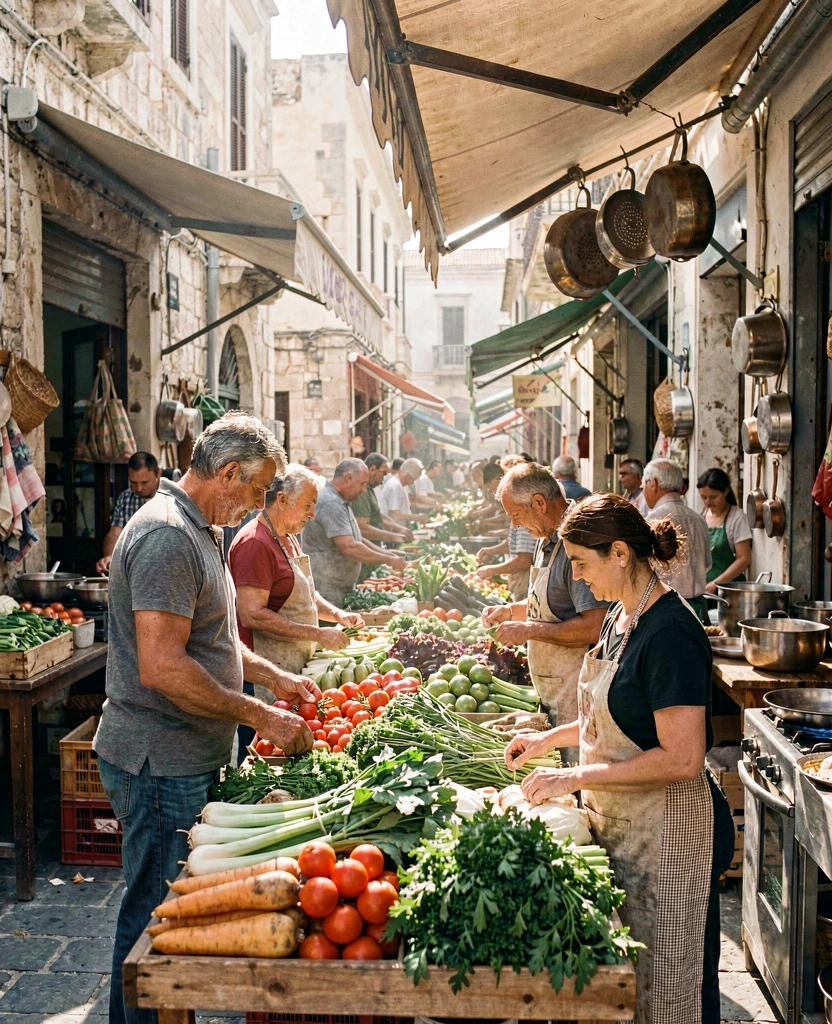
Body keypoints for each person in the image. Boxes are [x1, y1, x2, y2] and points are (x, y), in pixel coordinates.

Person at [94, 414, 320, 1024]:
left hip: (184, 754)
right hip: (158, 761)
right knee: (154, 921)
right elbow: (163, 667)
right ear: (226, 474)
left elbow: (211, 640)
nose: (257, 504)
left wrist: (273, 678)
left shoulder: (201, 531)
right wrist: (258, 714)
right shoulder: (169, 537)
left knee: (170, 915)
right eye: (255, 491)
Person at [504, 494, 734, 1024]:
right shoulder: (621, 618)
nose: (579, 578)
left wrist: (573, 776)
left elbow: (681, 758)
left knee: (676, 989)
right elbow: (616, 714)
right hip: (630, 827)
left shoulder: (669, 632)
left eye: (583, 563)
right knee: (639, 986)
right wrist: (546, 739)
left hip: (673, 837)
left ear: (621, 553)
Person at [482, 463, 607, 760]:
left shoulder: (577, 539)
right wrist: (511, 611)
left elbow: (594, 624)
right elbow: (553, 606)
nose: (514, 525)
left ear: (539, 503)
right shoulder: (545, 538)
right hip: (552, 690)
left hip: (576, 692)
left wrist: (528, 630)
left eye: (516, 515)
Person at [301, 458, 407, 607]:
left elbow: (358, 539)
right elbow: (350, 547)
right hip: (327, 589)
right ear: (348, 478)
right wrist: (388, 560)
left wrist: (389, 555)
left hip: (337, 587)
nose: (364, 489)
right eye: (362, 484)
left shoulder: (340, 501)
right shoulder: (331, 503)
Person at [643, 459, 712, 620]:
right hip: (697, 613)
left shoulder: (653, 521)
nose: (643, 490)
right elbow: (707, 565)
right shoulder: (698, 519)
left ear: (653, 483)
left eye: (644, 485)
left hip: (666, 611)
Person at [96, 452, 161, 573]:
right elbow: (114, 534)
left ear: (158, 473)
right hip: (133, 569)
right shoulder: (126, 498)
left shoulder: (171, 498)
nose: (139, 488)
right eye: (133, 483)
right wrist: (111, 557)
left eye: (144, 482)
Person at [697, 468, 752, 594]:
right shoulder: (702, 516)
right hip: (704, 589)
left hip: (729, 591)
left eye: (713, 497)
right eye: (703, 497)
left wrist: (716, 583)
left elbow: (744, 558)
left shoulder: (737, 518)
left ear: (726, 491)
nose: (708, 502)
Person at [351, 453, 413, 551]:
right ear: (373, 470)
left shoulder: (369, 489)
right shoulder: (361, 492)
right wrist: (392, 536)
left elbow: (377, 516)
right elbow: (362, 528)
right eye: (383, 473)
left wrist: (398, 528)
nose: (383, 480)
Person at [377, 457, 425, 522]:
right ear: (407, 475)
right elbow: (395, 514)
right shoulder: (395, 486)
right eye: (413, 479)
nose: (412, 482)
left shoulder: (400, 485)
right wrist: (416, 517)